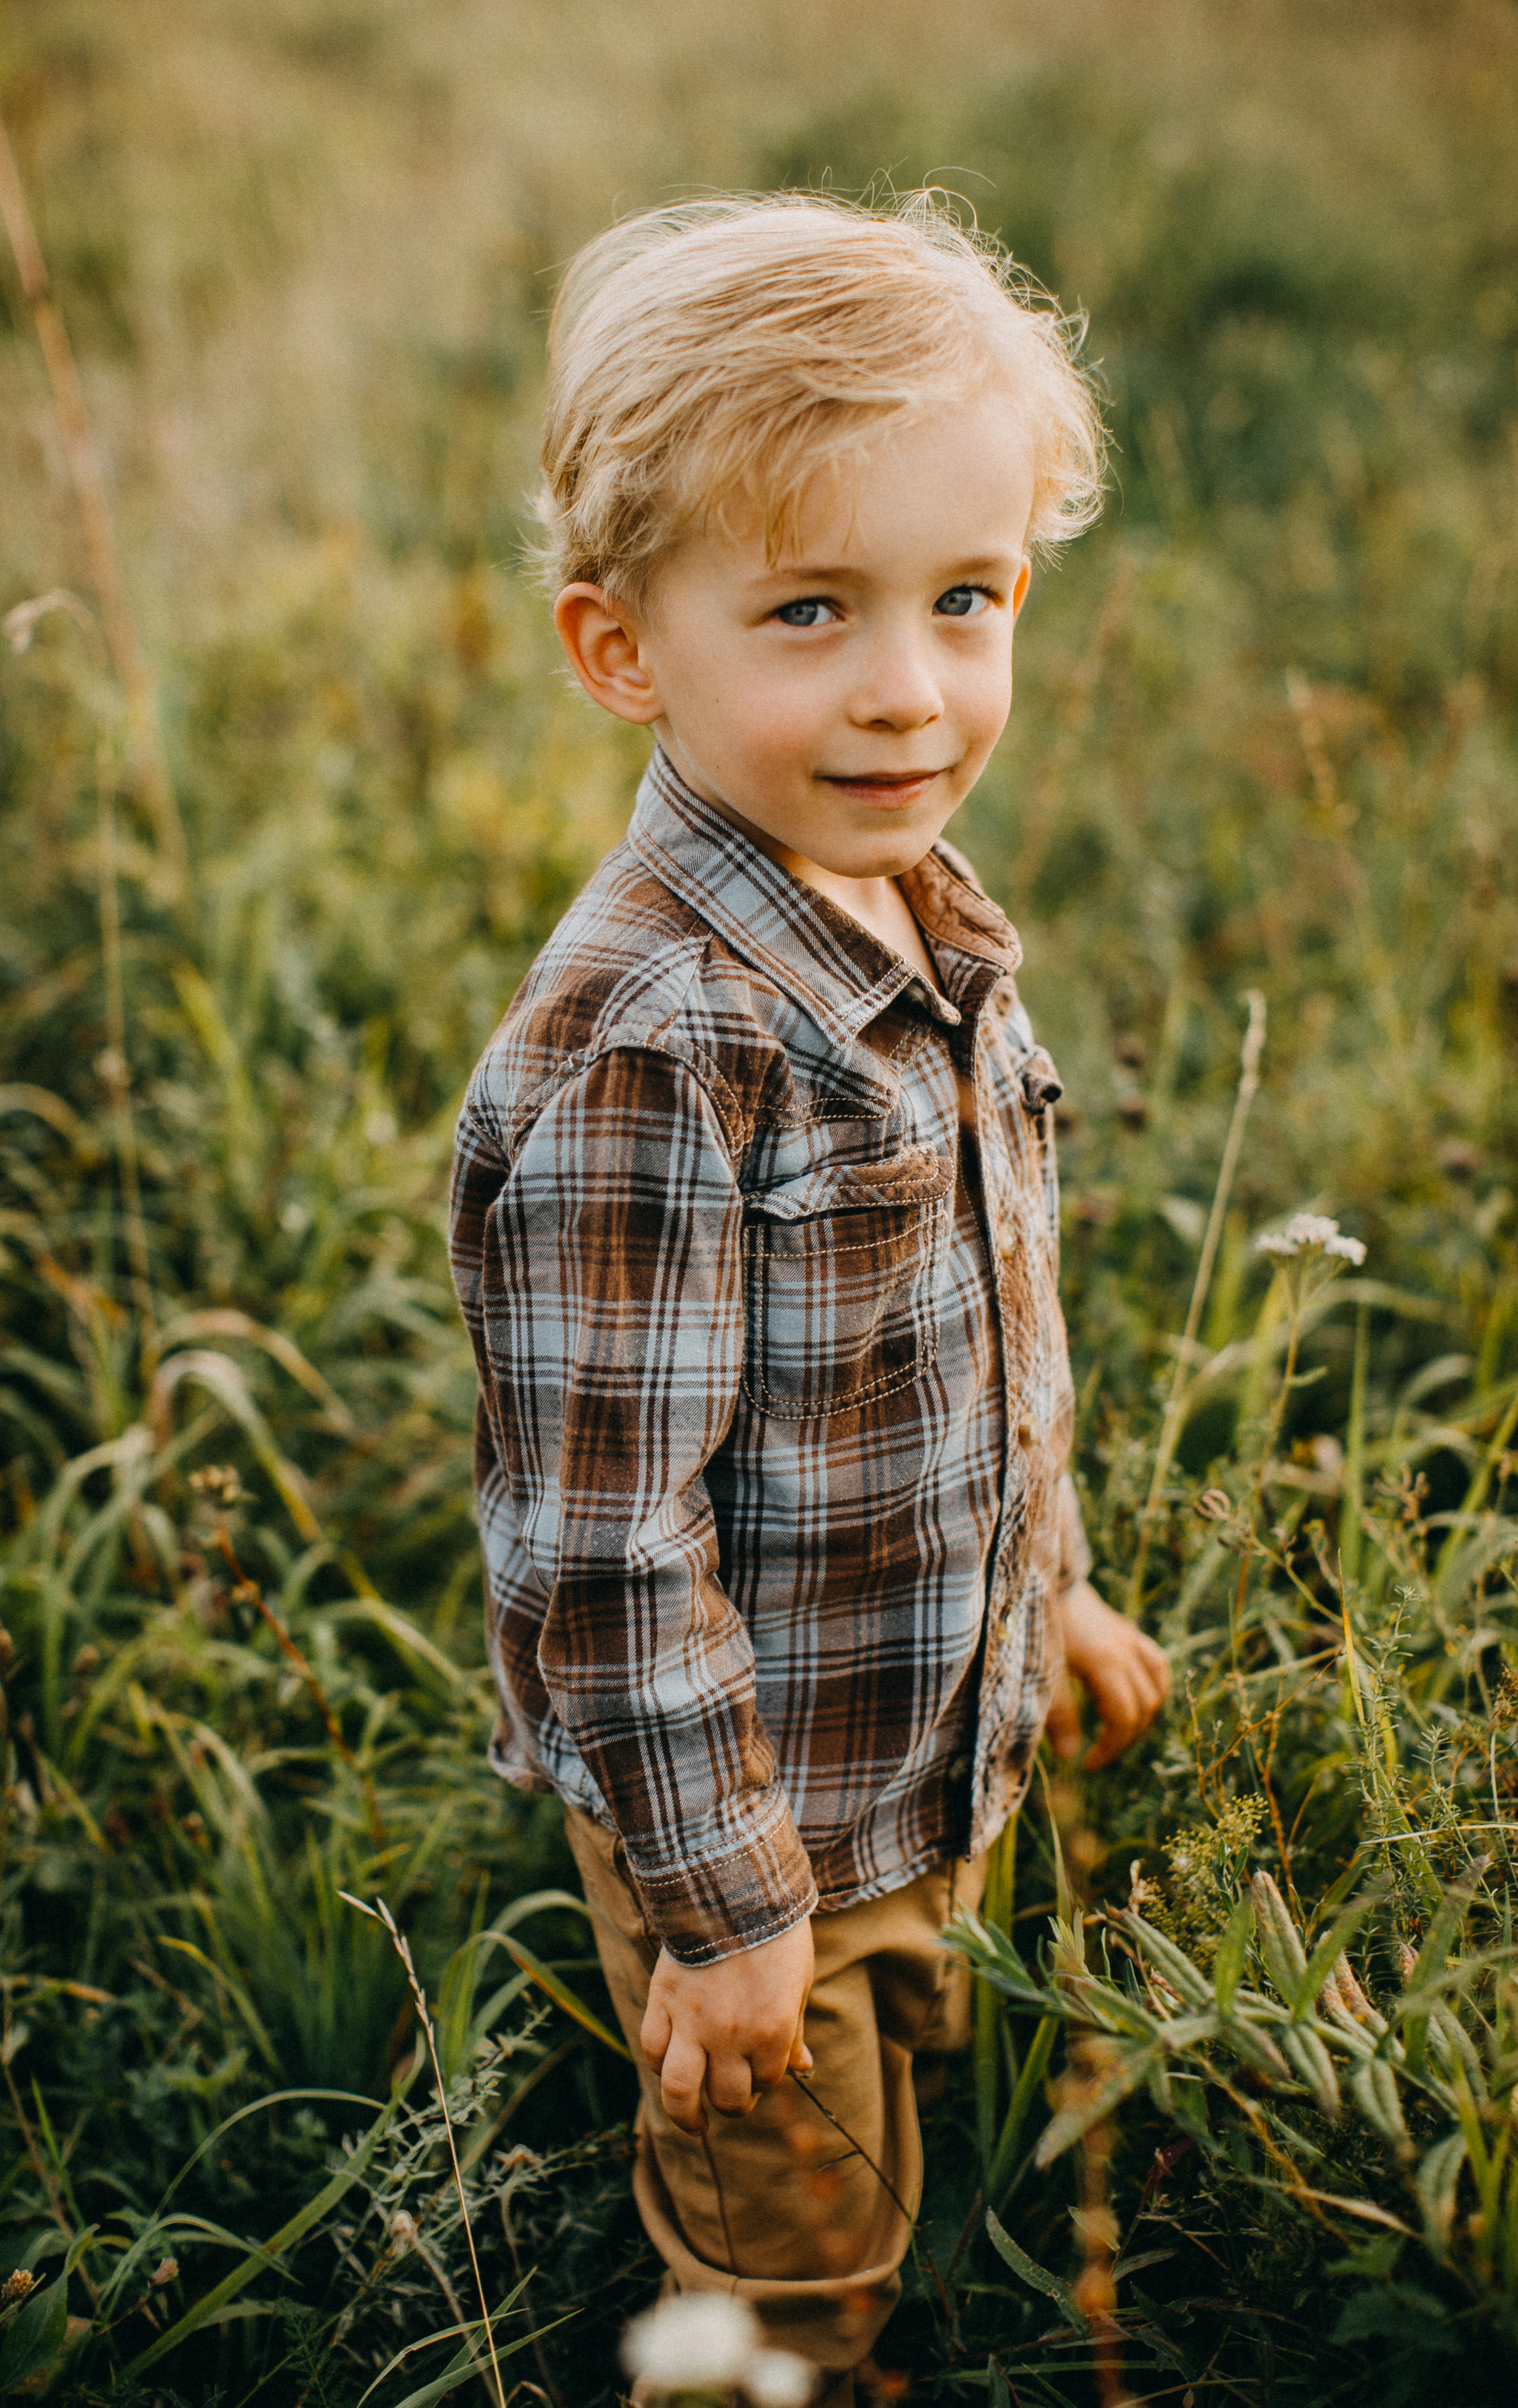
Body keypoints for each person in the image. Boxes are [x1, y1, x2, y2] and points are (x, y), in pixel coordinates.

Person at [447, 192, 1171, 2402]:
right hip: (745, 1813)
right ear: (622, 652)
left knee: (919, 2088)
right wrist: (735, 1916)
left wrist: (1039, 1594)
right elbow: (604, 1540)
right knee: (797, 2257)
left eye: (968, 599)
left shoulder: (906, 912)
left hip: (921, 1728)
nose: (908, 687)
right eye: (808, 608)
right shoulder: (655, 1050)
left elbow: (967, 1349)